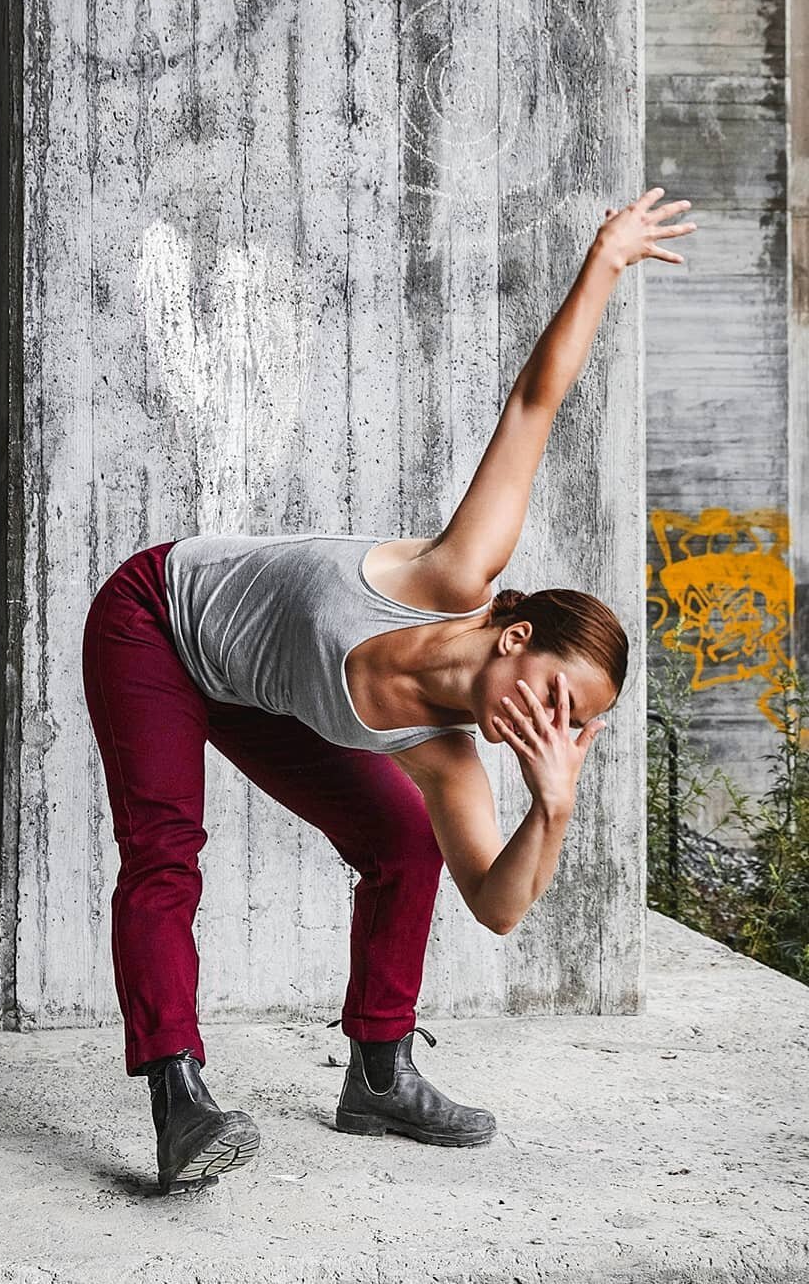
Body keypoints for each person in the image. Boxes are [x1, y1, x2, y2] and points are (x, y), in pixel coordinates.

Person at [82, 186, 696, 1194]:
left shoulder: (448, 759)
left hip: (251, 689)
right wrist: (608, 258)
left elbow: (496, 904)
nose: (549, 723)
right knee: (164, 850)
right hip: (157, 618)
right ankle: (178, 1096)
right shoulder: (455, 572)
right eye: (553, 692)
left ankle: (378, 1072)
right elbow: (537, 399)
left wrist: (556, 804)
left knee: (405, 838)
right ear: (516, 631)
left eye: (573, 724)